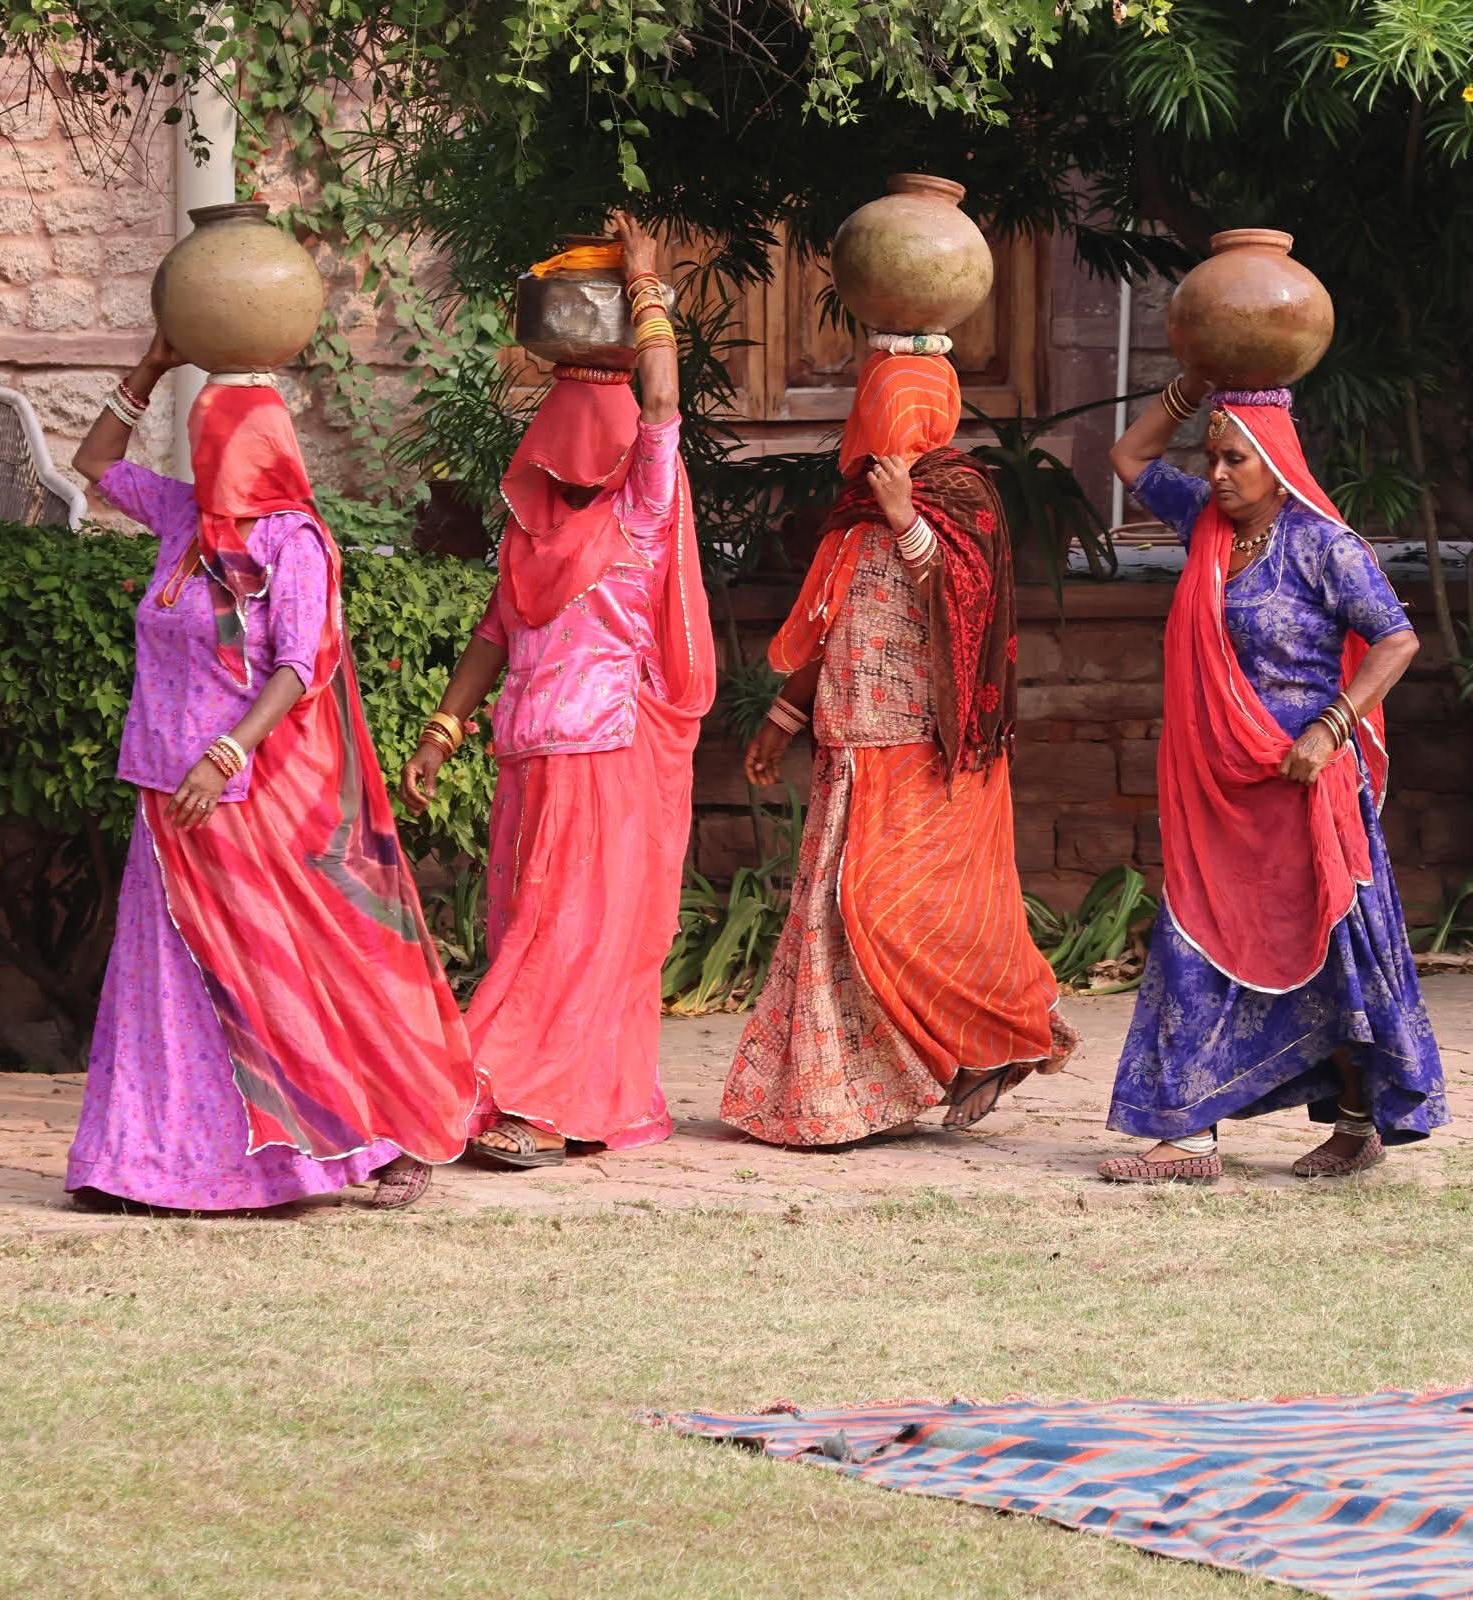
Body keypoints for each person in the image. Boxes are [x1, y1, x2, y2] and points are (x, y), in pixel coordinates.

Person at [64, 333, 477, 1212]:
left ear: (257, 450)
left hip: (242, 793)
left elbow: (297, 667)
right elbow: (93, 459)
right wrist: (152, 366)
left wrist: (225, 753)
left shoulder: (295, 545)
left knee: (272, 975)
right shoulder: (183, 519)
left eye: (216, 444)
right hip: (162, 786)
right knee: (165, 980)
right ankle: (141, 1162)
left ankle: (328, 1146)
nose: (203, 459)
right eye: (199, 443)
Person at [401, 211, 715, 1168]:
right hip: (530, 754)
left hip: (607, 756)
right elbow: (494, 633)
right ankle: (566, 1099)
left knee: (576, 933)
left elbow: (660, 409)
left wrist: (649, 285)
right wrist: (443, 730)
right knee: (536, 931)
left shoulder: (644, 512)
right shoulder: (530, 536)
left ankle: (523, 1095)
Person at [719, 345, 1075, 1148]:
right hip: (850, 742)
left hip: (932, 745)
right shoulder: (853, 508)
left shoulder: (960, 494)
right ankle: (842, 1095)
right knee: (834, 919)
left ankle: (1004, 1032)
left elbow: (965, 608)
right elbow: (829, 620)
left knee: (895, 909)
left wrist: (907, 516)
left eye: (885, 405)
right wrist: (784, 718)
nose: (872, 422)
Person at [1098, 376, 1447, 1183]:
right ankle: (1189, 1139)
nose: (1218, 474)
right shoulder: (1205, 526)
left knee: (1329, 949)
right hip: (1220, 783)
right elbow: (1128, 452)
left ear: (1277, 461)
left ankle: (1359, 1122)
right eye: (1211, 458)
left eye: (1235, 459)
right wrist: (1187, 389)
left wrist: (1331, 728)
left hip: (1302, 777)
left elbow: (1396, 642)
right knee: (1196, 931)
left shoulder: (1325, 545)